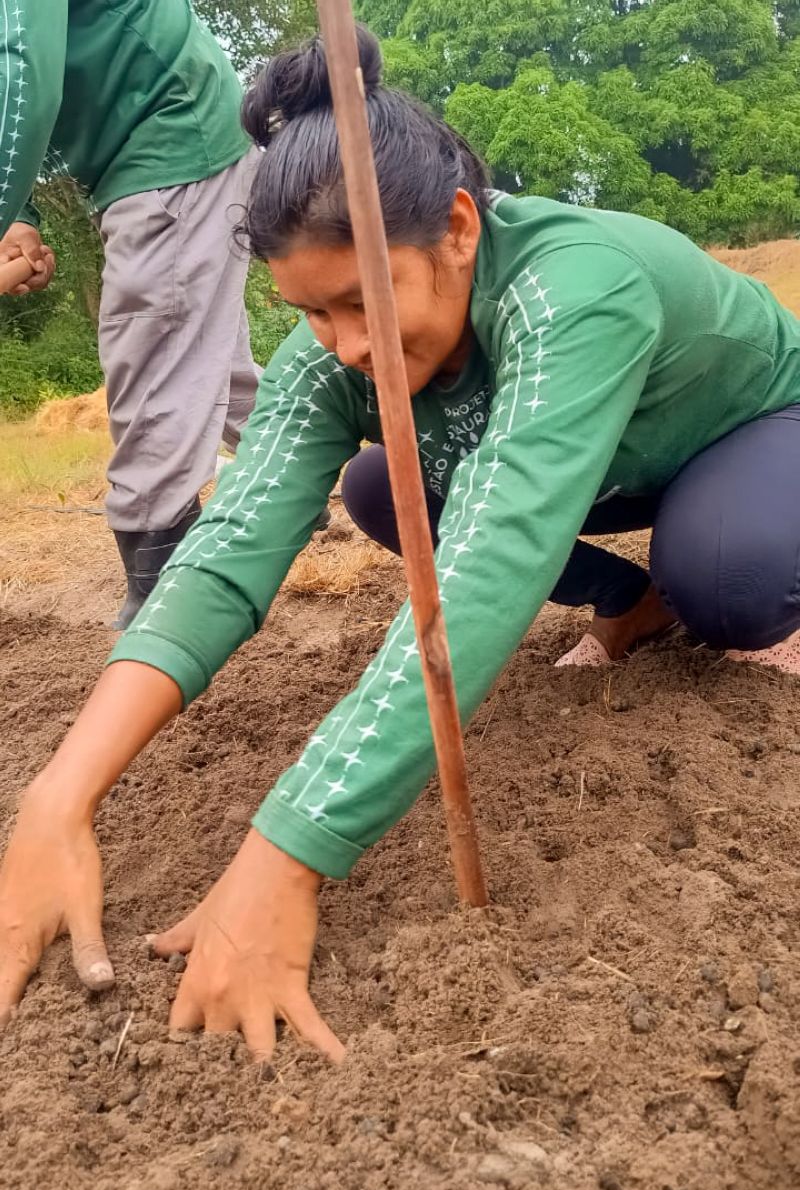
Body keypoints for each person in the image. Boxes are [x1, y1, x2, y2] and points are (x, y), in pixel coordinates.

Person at [1, 26, 799, 1059]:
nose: (350, 345)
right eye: (313, 312)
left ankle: (706, 577)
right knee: (383, 487)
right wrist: (58, 797)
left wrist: (283, 853)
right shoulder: (332, 344)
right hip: (592, 473)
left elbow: (484, 560)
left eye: (362, 300)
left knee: (726, 580)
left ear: (458, 228)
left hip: (740, 433)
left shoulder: (571, 288)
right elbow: (232, 543)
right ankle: (624, 603)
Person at [0, 0, 262, 628]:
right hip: (163, 146)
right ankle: (409, 454)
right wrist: (19, 217)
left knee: (149, 363)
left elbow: (24, 72)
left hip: (170, 140)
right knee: (216, 374)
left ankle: (166, 612)